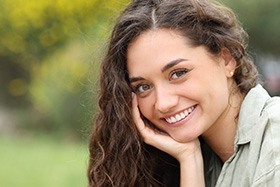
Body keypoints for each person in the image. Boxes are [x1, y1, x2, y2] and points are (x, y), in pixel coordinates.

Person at [87, 0, 280, 186]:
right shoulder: (191, 157)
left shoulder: (274, 139)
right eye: (143, 87)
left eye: (178, 73)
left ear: (226, 59)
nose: (163, 103)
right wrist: (190, 160)